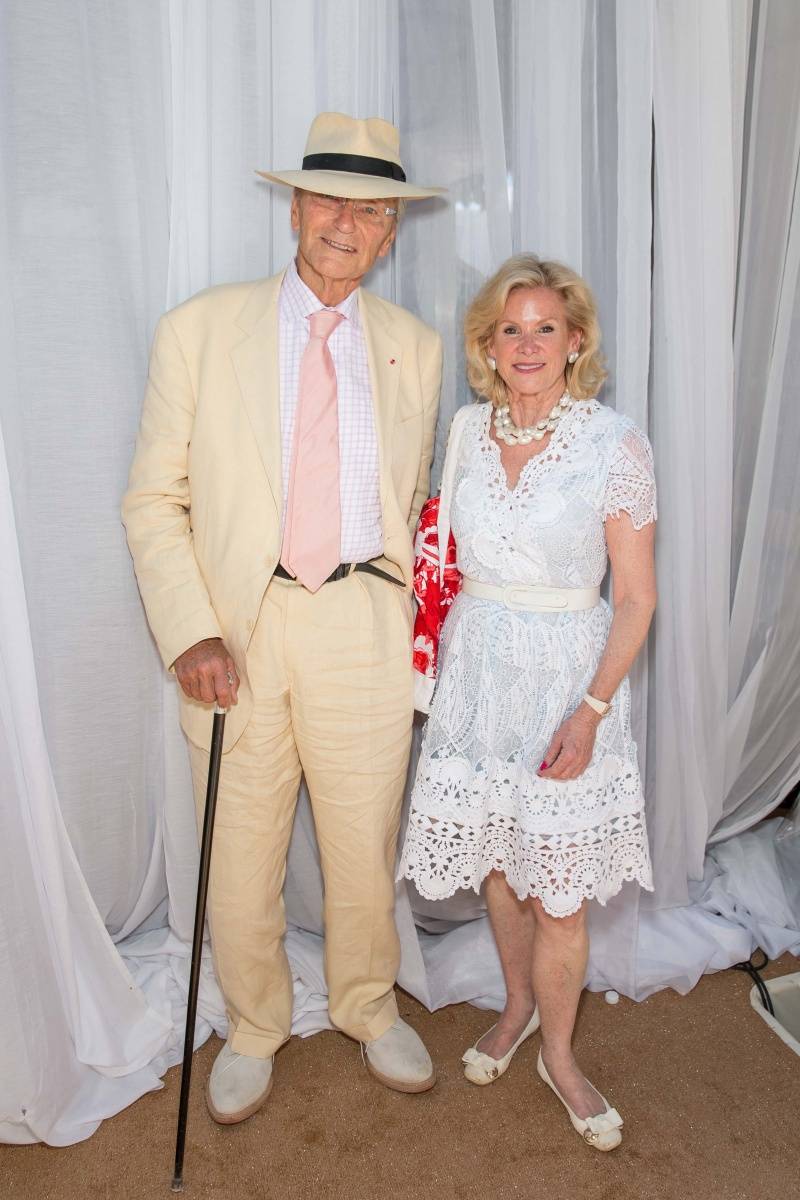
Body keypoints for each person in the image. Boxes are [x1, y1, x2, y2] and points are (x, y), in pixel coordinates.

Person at [123, 113, 444, 1123]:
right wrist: (189, 630)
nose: (345, 223)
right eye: (327, 202)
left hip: (361, 621)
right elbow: (153, 500)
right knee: (241, 847)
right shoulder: (198, 329)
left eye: (369, 210)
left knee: (362, 844)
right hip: (238, 625)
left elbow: (413, 496)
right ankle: (254, 1023)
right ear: (295, 208)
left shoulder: (416, 347)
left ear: (390, 231)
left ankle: (366, 1006)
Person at [399, 254, 656, 1151]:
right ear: (488, 345)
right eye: (511, 329)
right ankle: (515, 1009)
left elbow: (636, 598)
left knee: (561, 892)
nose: (528, 343)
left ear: (576, 341)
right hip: (478, 676)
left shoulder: (615, 444)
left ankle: (560, 1053)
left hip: (567, 684)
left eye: (546, 327)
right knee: (499, 870)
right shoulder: (466, 431)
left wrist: (591, 711)